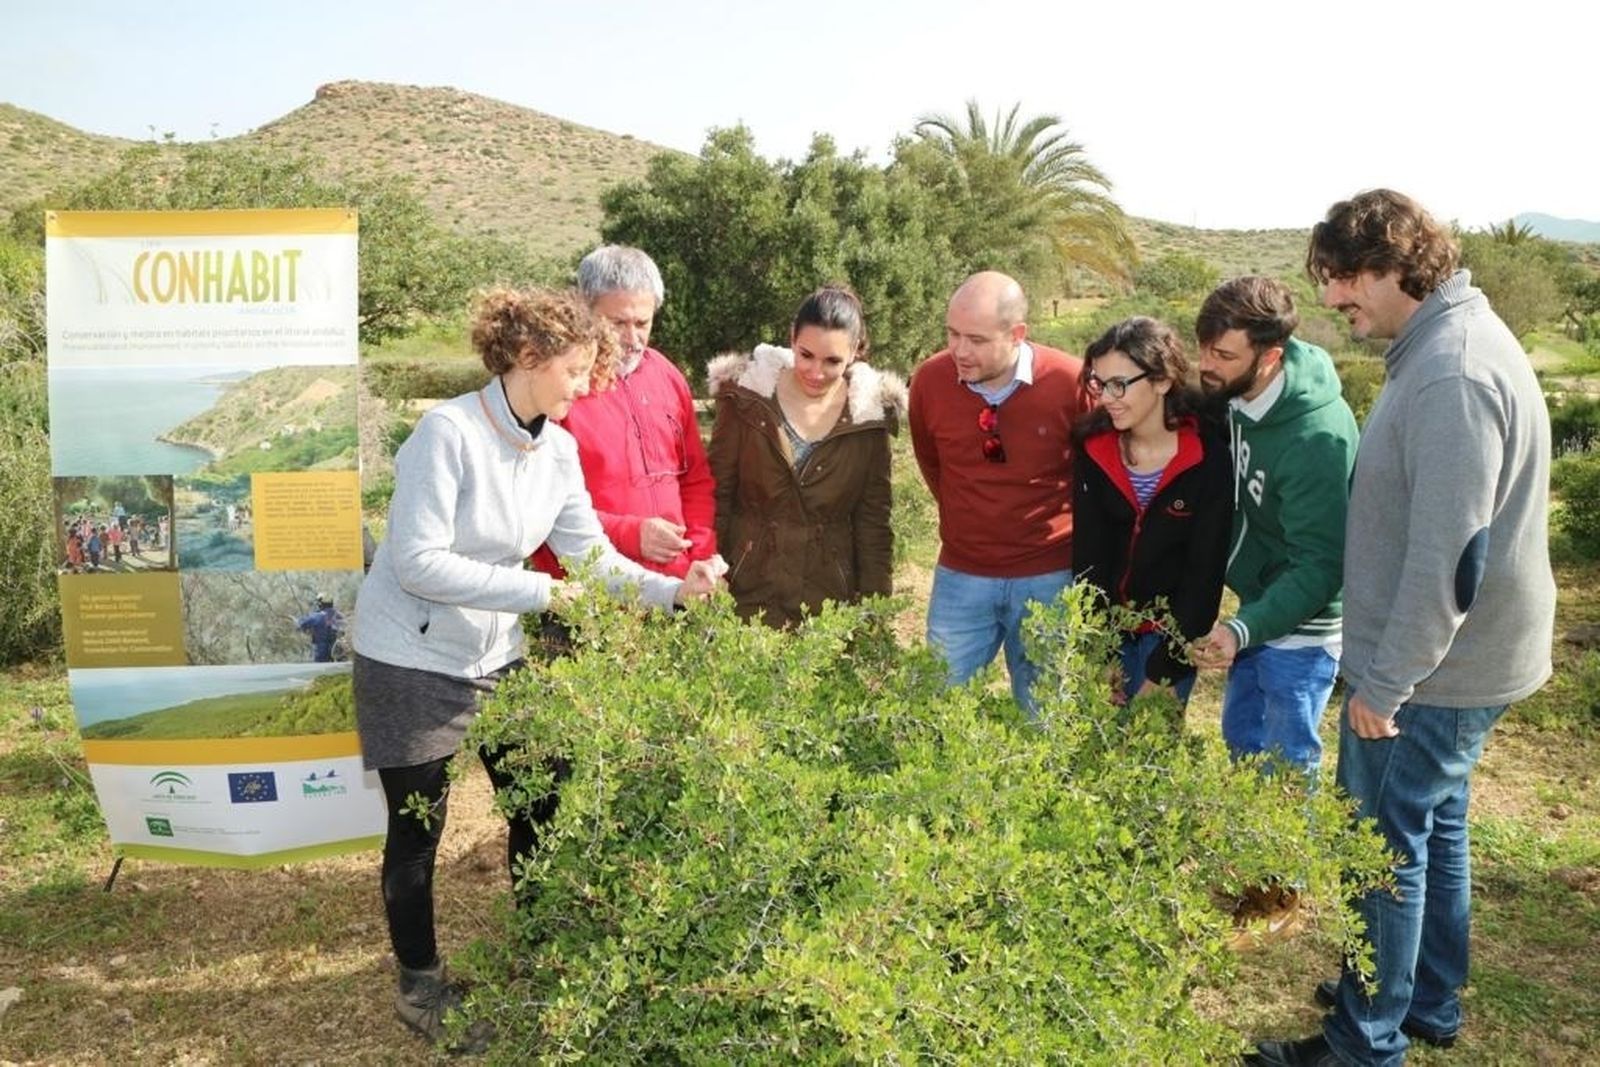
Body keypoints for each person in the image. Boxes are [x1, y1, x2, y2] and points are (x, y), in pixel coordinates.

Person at [351, 286, 719, 1052]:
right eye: (578, 370)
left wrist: (673, 592)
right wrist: (541, 590)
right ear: (529, 358)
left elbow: (594, 561)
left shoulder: (555, 448)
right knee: (419, 832)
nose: (587, 387)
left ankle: (545, 947)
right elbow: (416, 562)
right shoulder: (446, 433)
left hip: (495, 654)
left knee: (540, 796)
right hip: (411, 657)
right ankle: (421, 988)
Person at [1245, 190, 1556, 1067]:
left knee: (1381, 847)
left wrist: (1386, 684)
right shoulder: (1443, 345)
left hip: (1433, 670)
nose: (1336, 301)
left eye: (1345, 282)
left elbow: (1449, 558)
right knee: (1435, 823)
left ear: (1392, 268)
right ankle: (1424, 997)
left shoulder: (1452, 370)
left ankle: (1362, 1040)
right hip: (1464, 660)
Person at [1189, 276, 1359, 778]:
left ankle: (1285, 856)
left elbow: (1322, 565)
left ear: (1270, 355)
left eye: (1222, 355)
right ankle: (1246, 853)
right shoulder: (1243, 396)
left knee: (1285, 764)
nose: (1206, 365)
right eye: (1203, 349)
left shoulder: (1314, 440)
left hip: (1305, 628)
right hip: (1263, 606)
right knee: (1242, 739)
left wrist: (1243, 629)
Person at [908, 271, 1086, 711]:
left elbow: (1095, 475)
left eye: (977, 339)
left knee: (1047, 715)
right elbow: (934, 466)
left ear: (1017, 334)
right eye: (952, 334)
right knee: (937, 709)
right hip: (962, 576)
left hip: (1051, 578)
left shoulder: (1070, 383)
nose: (960, 351)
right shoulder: (930, 381)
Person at [706, 285, 903, 627]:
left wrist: (874, 614)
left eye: (832, 361)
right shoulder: (746, 401)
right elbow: (716, 496)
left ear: (855, 352)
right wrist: (709, 574)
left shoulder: (868, 420)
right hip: (743, 590)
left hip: (826, 601)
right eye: (806, 354)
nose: (815, 372)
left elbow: (873, 524)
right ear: (792, 338)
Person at [531, 245, 717, 583]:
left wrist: (700, 556)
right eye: (617, 323)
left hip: (676, 592)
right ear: (583, 310)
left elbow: (695, 480)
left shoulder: (668, 377)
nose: (632, 339)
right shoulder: (555, 388)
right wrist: (630, 533)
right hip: (588, 599)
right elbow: (537, 504)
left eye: (642, 323)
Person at [1072, 317, 1230, 707]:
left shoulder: (1207, 457)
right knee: (1094, 748)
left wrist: (1165, 670)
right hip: (1108, 630)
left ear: (1161, 381)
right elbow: (1088, 557)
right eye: (1099, 383)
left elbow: (1204, 575)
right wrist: (1098, 652)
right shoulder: (1093, 449)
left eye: (1119, 384)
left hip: (1172, 636)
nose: (1107, 398)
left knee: (1150, 753)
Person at [296, 594, 344, 662]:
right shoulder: (340, 616)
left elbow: (301, 624)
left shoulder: (316, 616)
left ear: (320, 604)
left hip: (321, 650)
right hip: (338, 650)